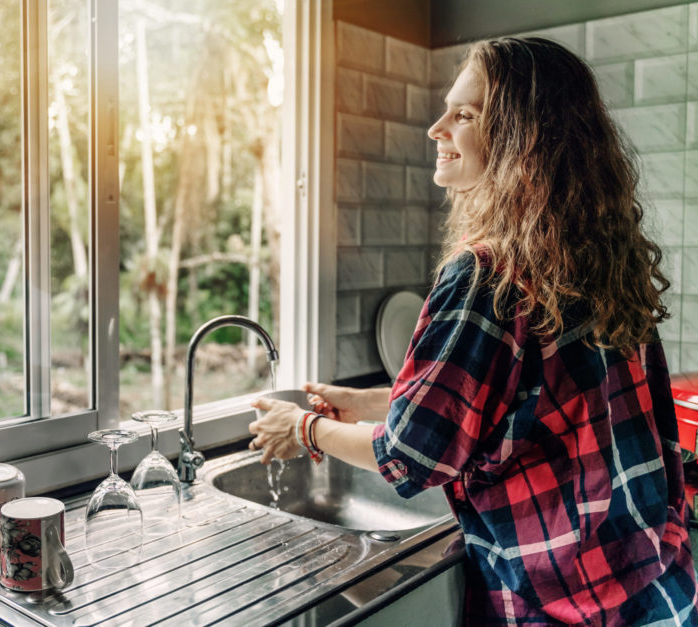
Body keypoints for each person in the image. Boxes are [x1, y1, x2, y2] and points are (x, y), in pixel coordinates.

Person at [249, 37, 698, 625]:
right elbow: (512, 404)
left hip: (562, 605)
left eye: (464, 115)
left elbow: (410, 458)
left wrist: (303, 429)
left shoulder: (486, 275)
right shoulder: (600, 260)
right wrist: (358, 403)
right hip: (659, 584)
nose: (437, 129)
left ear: (523, 141)